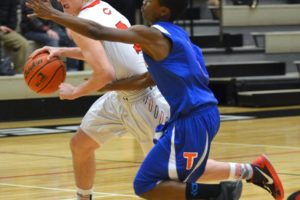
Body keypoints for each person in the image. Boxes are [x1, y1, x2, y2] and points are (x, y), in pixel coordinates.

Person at [26, 0, 285, 200]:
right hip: (123, 96)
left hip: (149, 103)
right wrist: (62, 50)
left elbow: (102, 53)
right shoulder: (105, 8)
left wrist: (77, 90)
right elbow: (107, 49)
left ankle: (245, 173)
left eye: (149, 1)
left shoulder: (136, 31)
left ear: (162, 11)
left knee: (170, 175)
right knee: (80, 145)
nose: (142, 3)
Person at [21, 0, 82, 71]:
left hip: (51, 29)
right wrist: (47, 30)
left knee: (72, 37)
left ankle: (72, 69)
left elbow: (59, 13)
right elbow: (32, 19)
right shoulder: (28, 1)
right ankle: (54, 69)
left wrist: (68, 26)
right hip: (31, 31)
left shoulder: (53, 1)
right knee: (53, 40)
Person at [0, 0, 29, 73]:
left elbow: (13, 18)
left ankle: (18, 72)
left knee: (23, 43)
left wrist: (11, 28)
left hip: (6, 31)